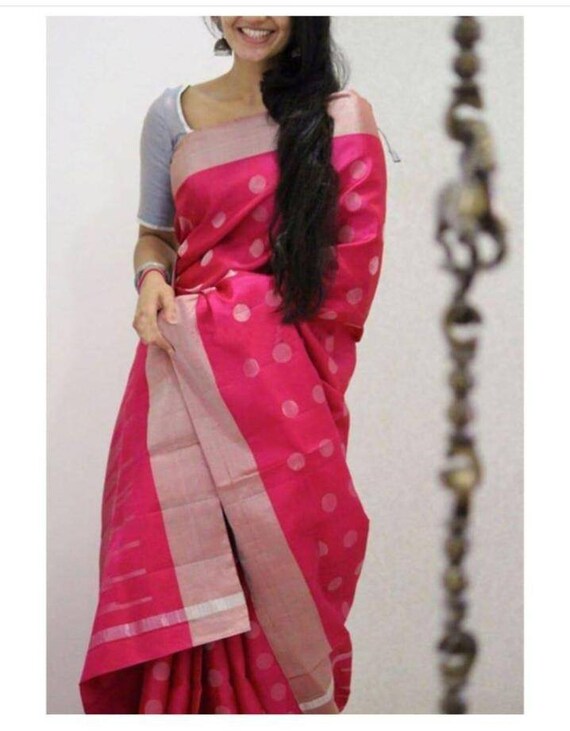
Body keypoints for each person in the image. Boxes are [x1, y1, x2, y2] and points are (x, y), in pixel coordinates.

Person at [78, 15, 388, 714]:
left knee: (275, 581)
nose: (256, 13)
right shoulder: (173, 115)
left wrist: (238, 310)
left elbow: (349, 279)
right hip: (176, 383)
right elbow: (154, 237)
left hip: (281, 397)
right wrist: (150, 280)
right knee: (169, 575)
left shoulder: (341, 119)